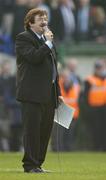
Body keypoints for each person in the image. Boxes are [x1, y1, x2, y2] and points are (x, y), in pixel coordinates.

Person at [15, 8, 63, 173]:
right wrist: (48, 44)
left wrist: (58, 92)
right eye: (40, 18)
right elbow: (34, 57)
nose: (44, 21)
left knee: (44, 131)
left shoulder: (47, 40)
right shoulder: (23, 38)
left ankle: (38, 164)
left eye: (45, 18)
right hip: (31, 94)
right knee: (32, 131)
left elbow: (53, 69)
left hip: (48, 95)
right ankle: (29, 165)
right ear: (30, 22)